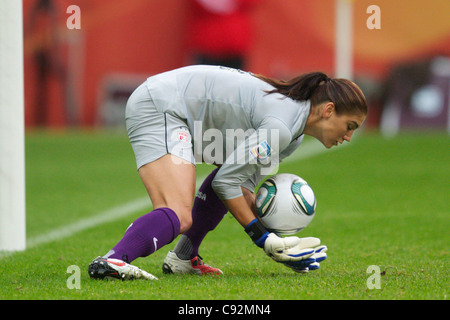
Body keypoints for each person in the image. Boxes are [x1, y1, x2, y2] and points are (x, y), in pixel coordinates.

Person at [88, 65, 368, 280]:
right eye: (350, 125)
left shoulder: (291, 136)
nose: (348, 137)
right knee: (179, 211)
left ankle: (183, 257)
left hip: (176, 108)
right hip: (161, 106)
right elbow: (226, 183)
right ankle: (114, 259)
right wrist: (263, 238)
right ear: (329, 110)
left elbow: (240, 185)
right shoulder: (281, 127)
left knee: (227, 179)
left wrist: (277, 243)